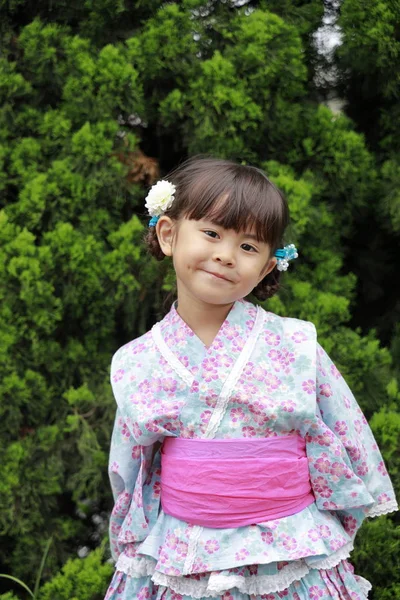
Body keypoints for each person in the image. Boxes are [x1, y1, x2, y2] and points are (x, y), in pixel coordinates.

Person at [104, 157, 397, 600]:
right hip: (185, 548)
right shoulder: (135, 361)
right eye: (212, 233)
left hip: (289, 543)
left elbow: (341, 430)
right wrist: (131, 539)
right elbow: (131, 467)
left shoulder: (296, 345)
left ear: (265, 267)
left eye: (248, 246)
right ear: (168, 234)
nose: (225, 254)